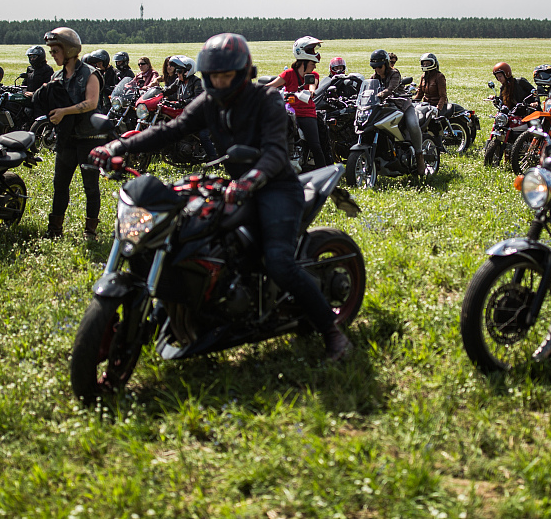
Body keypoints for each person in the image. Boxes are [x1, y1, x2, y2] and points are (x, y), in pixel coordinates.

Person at [88, 33, 353, 361]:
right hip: (236, 184)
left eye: (227, 75)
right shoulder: (209, 102)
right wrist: (120, 145)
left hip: (277, 187)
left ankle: (332, 332)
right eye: (214, 76)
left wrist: (251, 180)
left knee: (280, 263)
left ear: (242, 73)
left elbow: (274, 152)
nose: (220, 82)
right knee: (181, 237)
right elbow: (171, 130)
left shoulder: (265, 101)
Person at [36, 27, 105, 240]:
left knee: (90, 187)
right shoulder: (57, 76)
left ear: (68, 50)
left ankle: (90, 231)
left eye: (55, 51)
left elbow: (91, 103)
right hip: (67, 140)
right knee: (59, 185)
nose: (52, 55)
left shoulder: (90, 74)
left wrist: (64, 111)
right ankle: (55, 229)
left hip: (89, 139)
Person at [266, 36, 327, 169]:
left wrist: (311, 92)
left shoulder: (313, 75)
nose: (314, 67)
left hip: (307, 114)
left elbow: (313, 84)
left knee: (315, 145)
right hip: (289, 112)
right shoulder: (288, 74)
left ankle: (324, 173)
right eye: (312, 64)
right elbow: (272, 85)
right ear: (303, 60)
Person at [370, 48, 425, 175]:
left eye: (379, 66)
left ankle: (419, 156)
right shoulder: (374, 77)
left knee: (412, 124)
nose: (377, 70)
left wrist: (380, 95)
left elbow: (391, 88)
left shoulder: (394, 73)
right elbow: (369, 88)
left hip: (403, 105)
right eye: (375, 67)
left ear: (385, 64)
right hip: (387, 107)